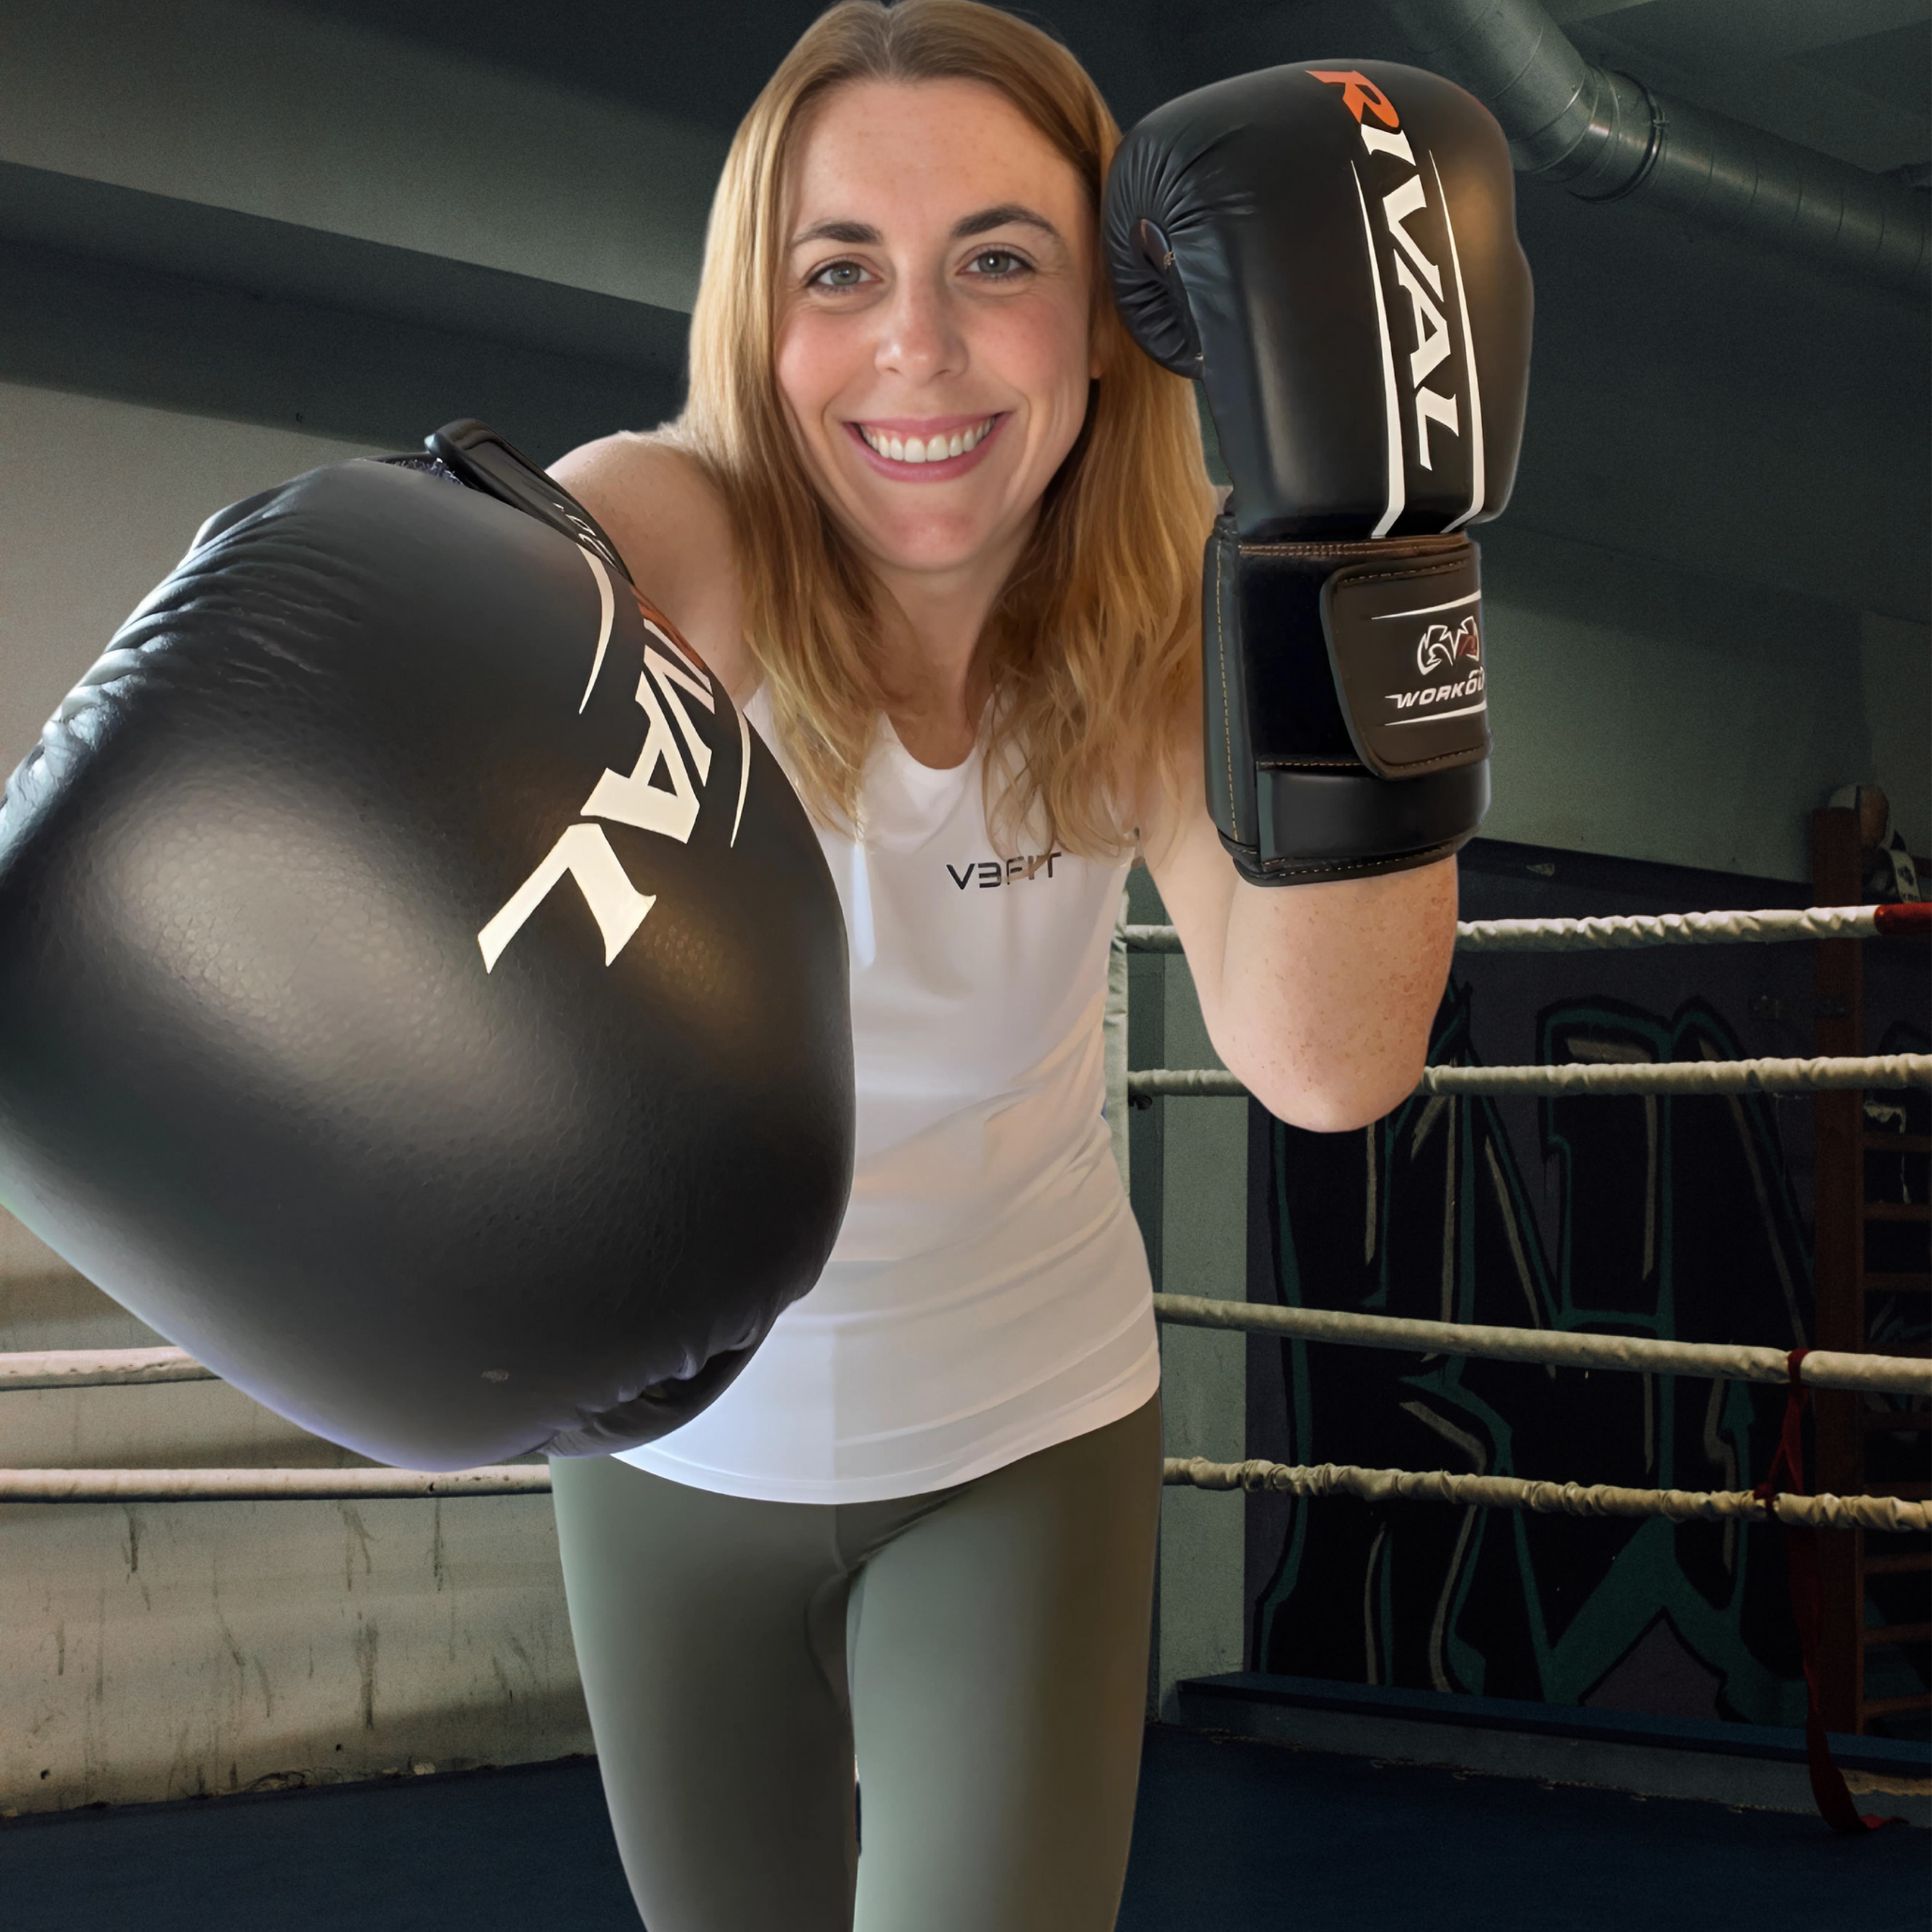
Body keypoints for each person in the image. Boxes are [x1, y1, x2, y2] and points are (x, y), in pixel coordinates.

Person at [544, 5, 1484, 1927]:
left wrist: (1382, 559)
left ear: (1109, 315)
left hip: (1019, 1425)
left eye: (999, 259)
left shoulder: (1171, 617)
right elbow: (571, 580)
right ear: (757, 318)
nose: (918, 342)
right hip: (672, 1437)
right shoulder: (681, 528)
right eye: (841, 271)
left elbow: (1329, 1064)